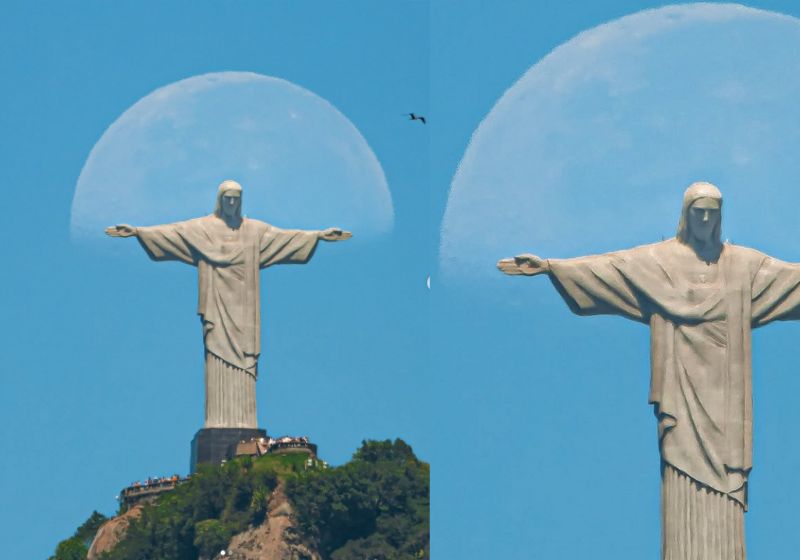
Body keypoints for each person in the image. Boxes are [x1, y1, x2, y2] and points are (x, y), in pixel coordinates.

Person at [498, 182, 800, 560]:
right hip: (681, 396)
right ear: (686, 215)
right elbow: (609, 270)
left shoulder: (743, 267)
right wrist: (550, 267)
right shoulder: (660, 263)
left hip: (727, 404)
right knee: (681, 470)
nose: (705, 220)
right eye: (698, 212)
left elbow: (792, 280)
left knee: (725, 486)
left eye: (712, 212)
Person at [106, 180, 351, 429]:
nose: (232, 204)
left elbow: (285, 238)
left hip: (244, 308)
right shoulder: (202, 229)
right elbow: (173, 232)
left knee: (245, 361)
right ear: (220, 200)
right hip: (217, 306)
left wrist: (318, 236)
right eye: (228, 199)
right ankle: (217, 420)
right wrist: (138, 232)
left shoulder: (254, 231)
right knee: (216, 354)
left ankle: (246, 421)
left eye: (236, 199)